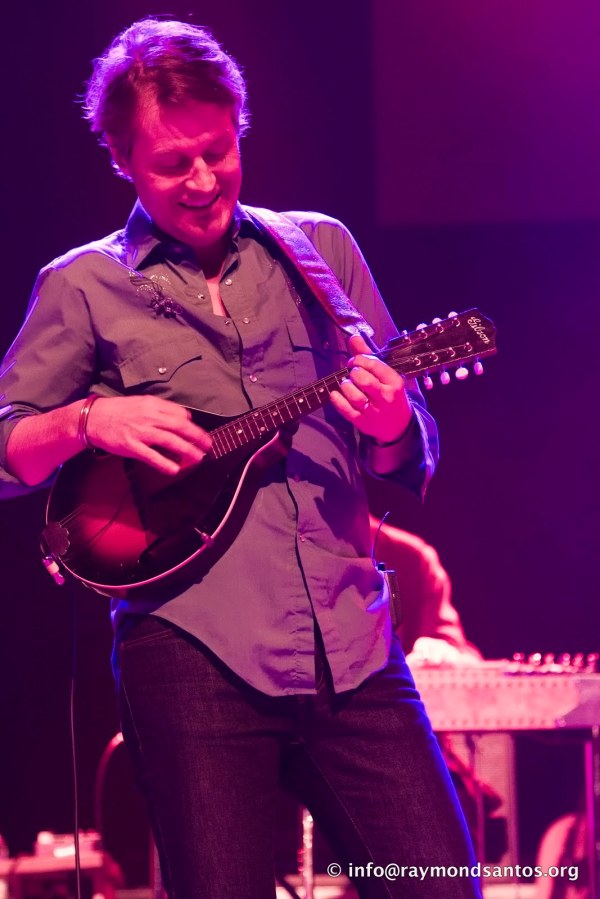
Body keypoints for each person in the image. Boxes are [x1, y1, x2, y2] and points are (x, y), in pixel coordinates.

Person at [0, 17, 480, 899]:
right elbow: (9, 448)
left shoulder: (321, 249)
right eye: (172, 162)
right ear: (121, 159)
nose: (203, 179)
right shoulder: (84, 285)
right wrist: (89, 419)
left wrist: (388, 420)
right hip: (192, 654)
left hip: (351, 645)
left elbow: (402, 447)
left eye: (218, 151)